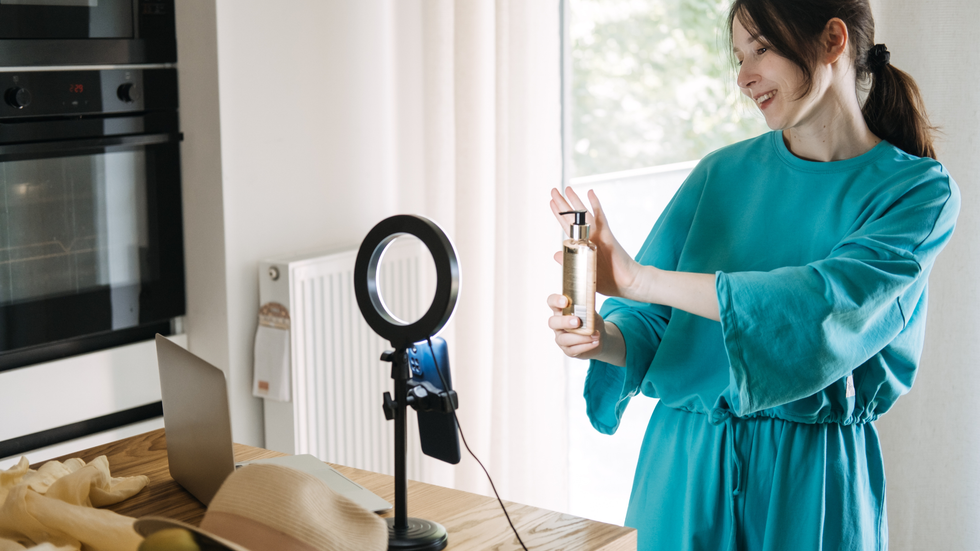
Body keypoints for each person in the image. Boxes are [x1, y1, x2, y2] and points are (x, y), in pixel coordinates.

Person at [547, 0, 960, 550]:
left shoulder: (916, 193)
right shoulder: (719, 174)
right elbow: (653, 325)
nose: (743, 77)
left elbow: (820, 308)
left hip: (810, 480)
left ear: (833, 40)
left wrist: (640, 279)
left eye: (761, 49)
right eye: (739, 57)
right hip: (683, 463)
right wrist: (602, 338)